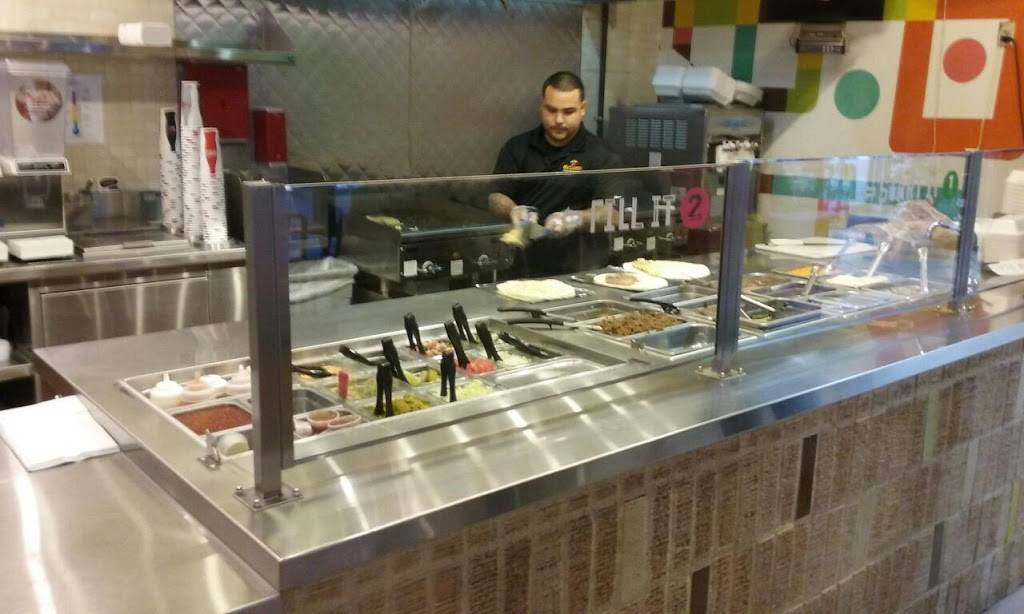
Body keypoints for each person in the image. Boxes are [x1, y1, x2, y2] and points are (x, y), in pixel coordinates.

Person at [489, 71, 622, 276]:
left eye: (568, 112)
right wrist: (513, 210)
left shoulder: (601, 155)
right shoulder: (517, 147)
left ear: (583, 109)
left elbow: (613, 214)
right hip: (525, 270)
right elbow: (496, 196)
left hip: (581, 272)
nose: (559, 119)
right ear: (542, 105)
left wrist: (576, 219)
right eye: (551, 110)